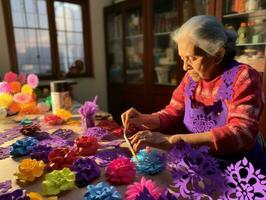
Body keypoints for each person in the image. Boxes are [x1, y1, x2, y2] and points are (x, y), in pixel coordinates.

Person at [121, 15, 266, 172]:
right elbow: (172, 112)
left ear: (218, 54)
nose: (185, 67)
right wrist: (145, 119)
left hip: (239, 170)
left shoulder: (243, 77)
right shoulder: (191, 78)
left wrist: (172, 141)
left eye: (192, 58)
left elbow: (241, 132)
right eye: (182, 58)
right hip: (202, 164)